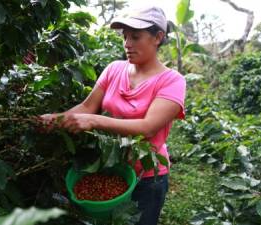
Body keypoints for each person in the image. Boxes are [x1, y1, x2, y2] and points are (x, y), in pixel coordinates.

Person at [41, 4, 186, 225]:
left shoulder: (172, 81)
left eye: (135, 37)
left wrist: (94, 120)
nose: (127, 44)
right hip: (109, 168)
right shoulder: (114, 69)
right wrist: (57, 119)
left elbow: (148, 127)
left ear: (158, 37)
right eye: (125, 37)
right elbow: (88, 107)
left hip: (146, 176)